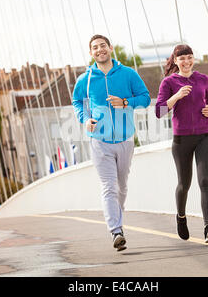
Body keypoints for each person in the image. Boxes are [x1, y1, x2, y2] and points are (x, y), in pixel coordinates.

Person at [72, 34, 151, 251]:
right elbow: (77, 102)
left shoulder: (127, 74)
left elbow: (145, 97)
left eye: (103, 46)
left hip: (125, 139)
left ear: (110, 48)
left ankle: (117, 217)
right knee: (109, 186)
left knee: (121, 186)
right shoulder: (85, 79)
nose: (100, 50)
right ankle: (116, 231)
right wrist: (84, 119)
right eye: (95, 48)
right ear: (91, 53)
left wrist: (125, 102)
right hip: (99, 141)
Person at [155, 44, 208, 243]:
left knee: (205, 181)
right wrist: (176, 96)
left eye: (189, 57)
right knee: (184, 184)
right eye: (182, 58)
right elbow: (159, 112)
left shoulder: (203, 79)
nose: (186, 62)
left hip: (204, 137)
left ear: (193, 59)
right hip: (182, 139)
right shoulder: (169, 82)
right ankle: (181, 217)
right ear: (175, 61)